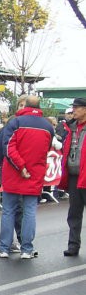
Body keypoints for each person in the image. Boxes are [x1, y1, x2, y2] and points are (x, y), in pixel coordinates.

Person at [0, 95, 53, 259]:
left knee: (8, 211)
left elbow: (8, 148)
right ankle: (26, 249)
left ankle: (4, 247)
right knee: (29, 212)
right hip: (35, 173)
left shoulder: (15, 123)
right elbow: (46, 150)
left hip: (14, 172)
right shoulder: (48, 126)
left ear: (25, 105)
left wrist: (21, 167)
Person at [57, 97, 86, 256]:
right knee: (74, 213)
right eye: (73, 108)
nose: (73, 110)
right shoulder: (70, 128)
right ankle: (73, 246)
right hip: (74, 176)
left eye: (77, 108)